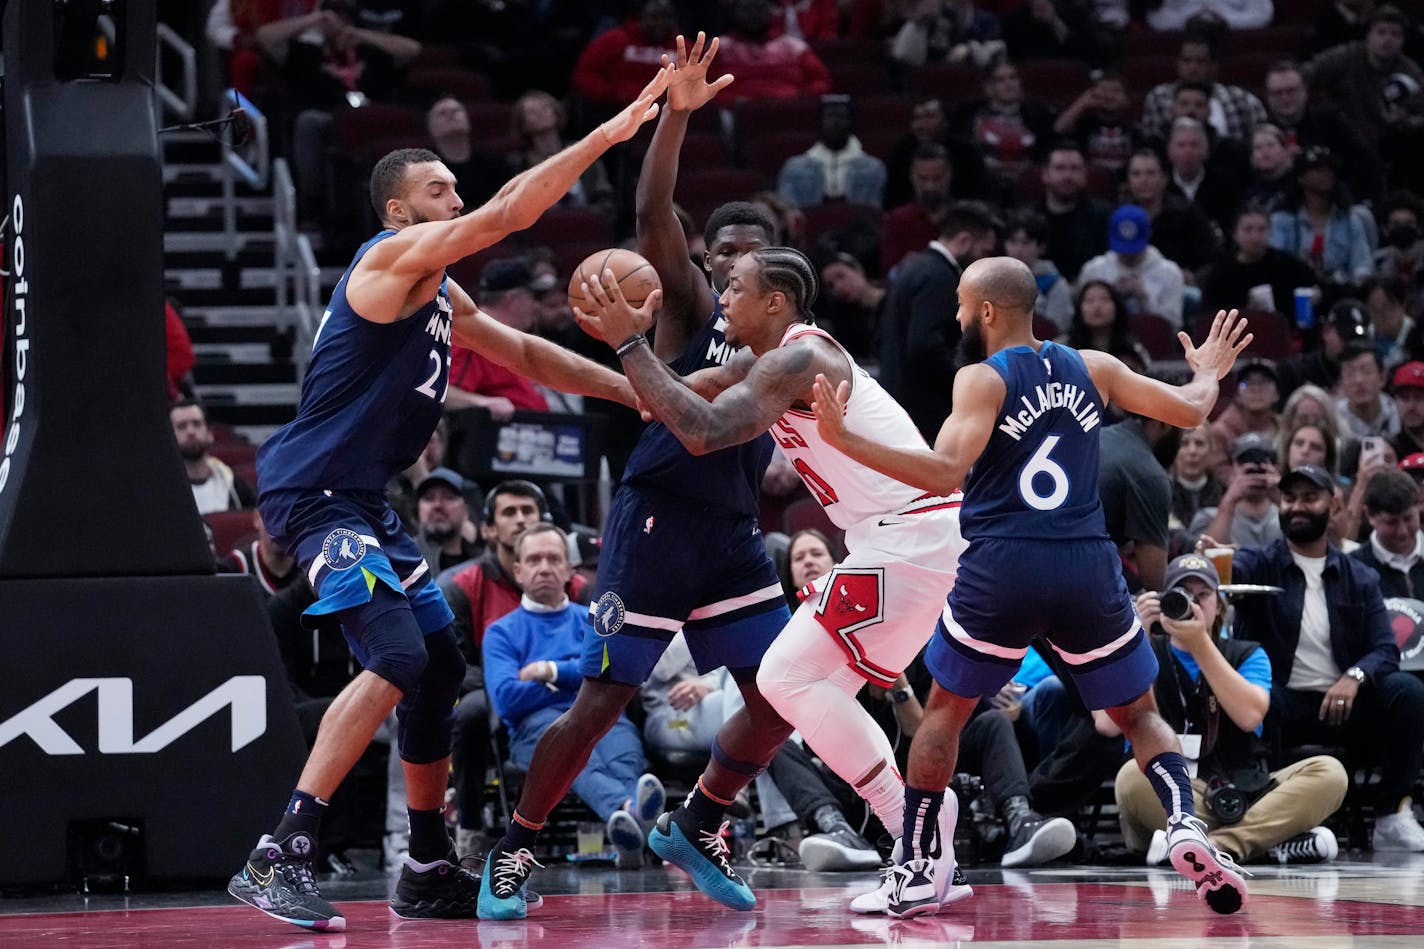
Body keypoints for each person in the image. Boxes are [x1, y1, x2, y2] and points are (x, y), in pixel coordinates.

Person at [226, 66, 672, 932]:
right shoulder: (388, 261)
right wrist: (609, 135)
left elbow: (529, 356)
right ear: (399, 212)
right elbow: (507, 211)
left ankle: (427, 862)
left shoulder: (440, 292)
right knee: (394, 655)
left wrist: (638, 391)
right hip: (313, 493)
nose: (456, 198)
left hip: (363, 499)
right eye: (439, 191)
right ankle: (280, 852)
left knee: (434, 662)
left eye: (456, 188)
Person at [811, 256, 1253, 916]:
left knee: (945, 712)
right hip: (1085, 560)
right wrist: (1210, 373)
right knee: (1140, 714)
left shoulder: (980, 379)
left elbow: (940, 471)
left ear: (987, 311)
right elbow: (1191, 411)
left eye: (962, 303)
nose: (957, 315)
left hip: (1004, 561)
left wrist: (843, 438)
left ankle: (918, 867)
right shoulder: (1093, 366)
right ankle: (1186, 821)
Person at [475, 35, 795, 921]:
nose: (721, 263)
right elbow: (655, 205)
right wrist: (677, 116)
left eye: (743, 255)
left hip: (730, 533)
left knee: (782, 696)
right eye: (715, 251)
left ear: (775, 280)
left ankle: (702, 819)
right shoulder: (690, 304)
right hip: (656, 519)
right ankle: (517, 845)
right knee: (599, 702)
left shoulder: (793, 348)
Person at [574, 242, 969, 916]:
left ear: (776, 302)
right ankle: (922, 843)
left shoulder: (798, 357)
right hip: (903, 539)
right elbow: (684, 398)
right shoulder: (771, 363)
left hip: (911, 535)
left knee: (784, 674)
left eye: (734, 286)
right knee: (809, 695)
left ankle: (919, 826)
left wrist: (631, 344)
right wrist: (637, 373)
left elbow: (701, 431)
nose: (721, 297)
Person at [1229, 464, 1424, 852]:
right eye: (1290, 498)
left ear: (1333, 505)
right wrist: (1205, 560)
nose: (1298, 506)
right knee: (1245, 697)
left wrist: (1355, 676)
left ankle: (1392, 814)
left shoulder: (1358, 575)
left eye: (1309, 497)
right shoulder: (1259, 563)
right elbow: (1223, 576)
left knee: (1407, 691)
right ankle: (1257, 811)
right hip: (1281, 701)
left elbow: (1386, 649)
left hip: (1344, 704)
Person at [1119, 554, 1348, 866]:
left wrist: (1201, 644)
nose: (1192, 603)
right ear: (1162, 602)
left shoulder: (1247, 653)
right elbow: (1106, 725)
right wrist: (1134, 639)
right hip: (1178, 791)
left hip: (1245, 788)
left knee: (1330, 773)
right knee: (1132, 776)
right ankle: (1268, 842)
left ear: (1219, 602)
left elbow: (1250, 716)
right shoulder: (1146, 653)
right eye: (1181, 595)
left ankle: (1212, 845)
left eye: (1203, 595)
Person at [482, 523, 666, 866]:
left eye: (554, 559)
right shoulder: (501, 633)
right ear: (518, 571)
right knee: (574, 756)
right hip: (536, 732)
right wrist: (579, 675)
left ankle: (629, 833)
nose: (545, 567)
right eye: (534, 560)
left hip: (604, 718)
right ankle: (632, 812)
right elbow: (506, 697)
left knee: (620, 754)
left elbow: (617, 678)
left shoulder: (596, 621)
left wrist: (549, 672)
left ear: (569, 569)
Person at [776, 94, 888, 210]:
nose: (835, 122)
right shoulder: (794, 168)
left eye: (842, 117)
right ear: (819, 122)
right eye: (830, 116)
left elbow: (875, 212)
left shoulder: (873, 168)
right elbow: (789, 212)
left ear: (851, 123)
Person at [171, 399, 256, 514]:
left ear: (210, 434)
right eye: (181, 426)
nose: (191, 431)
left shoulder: (235, 486)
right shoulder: (162, 490)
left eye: (197, 424)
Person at [1350, 466, 1424, 597]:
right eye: (1392, 523)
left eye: (1408, 519)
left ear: (1418, 506)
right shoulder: (1354, 568)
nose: (1403, 532)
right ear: (1370, 515)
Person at [412, 467, 480, 576]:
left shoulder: (482, 566)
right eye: (429, 498)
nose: (437, 505)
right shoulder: (401, 558)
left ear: (466, 511)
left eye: (449, 497)